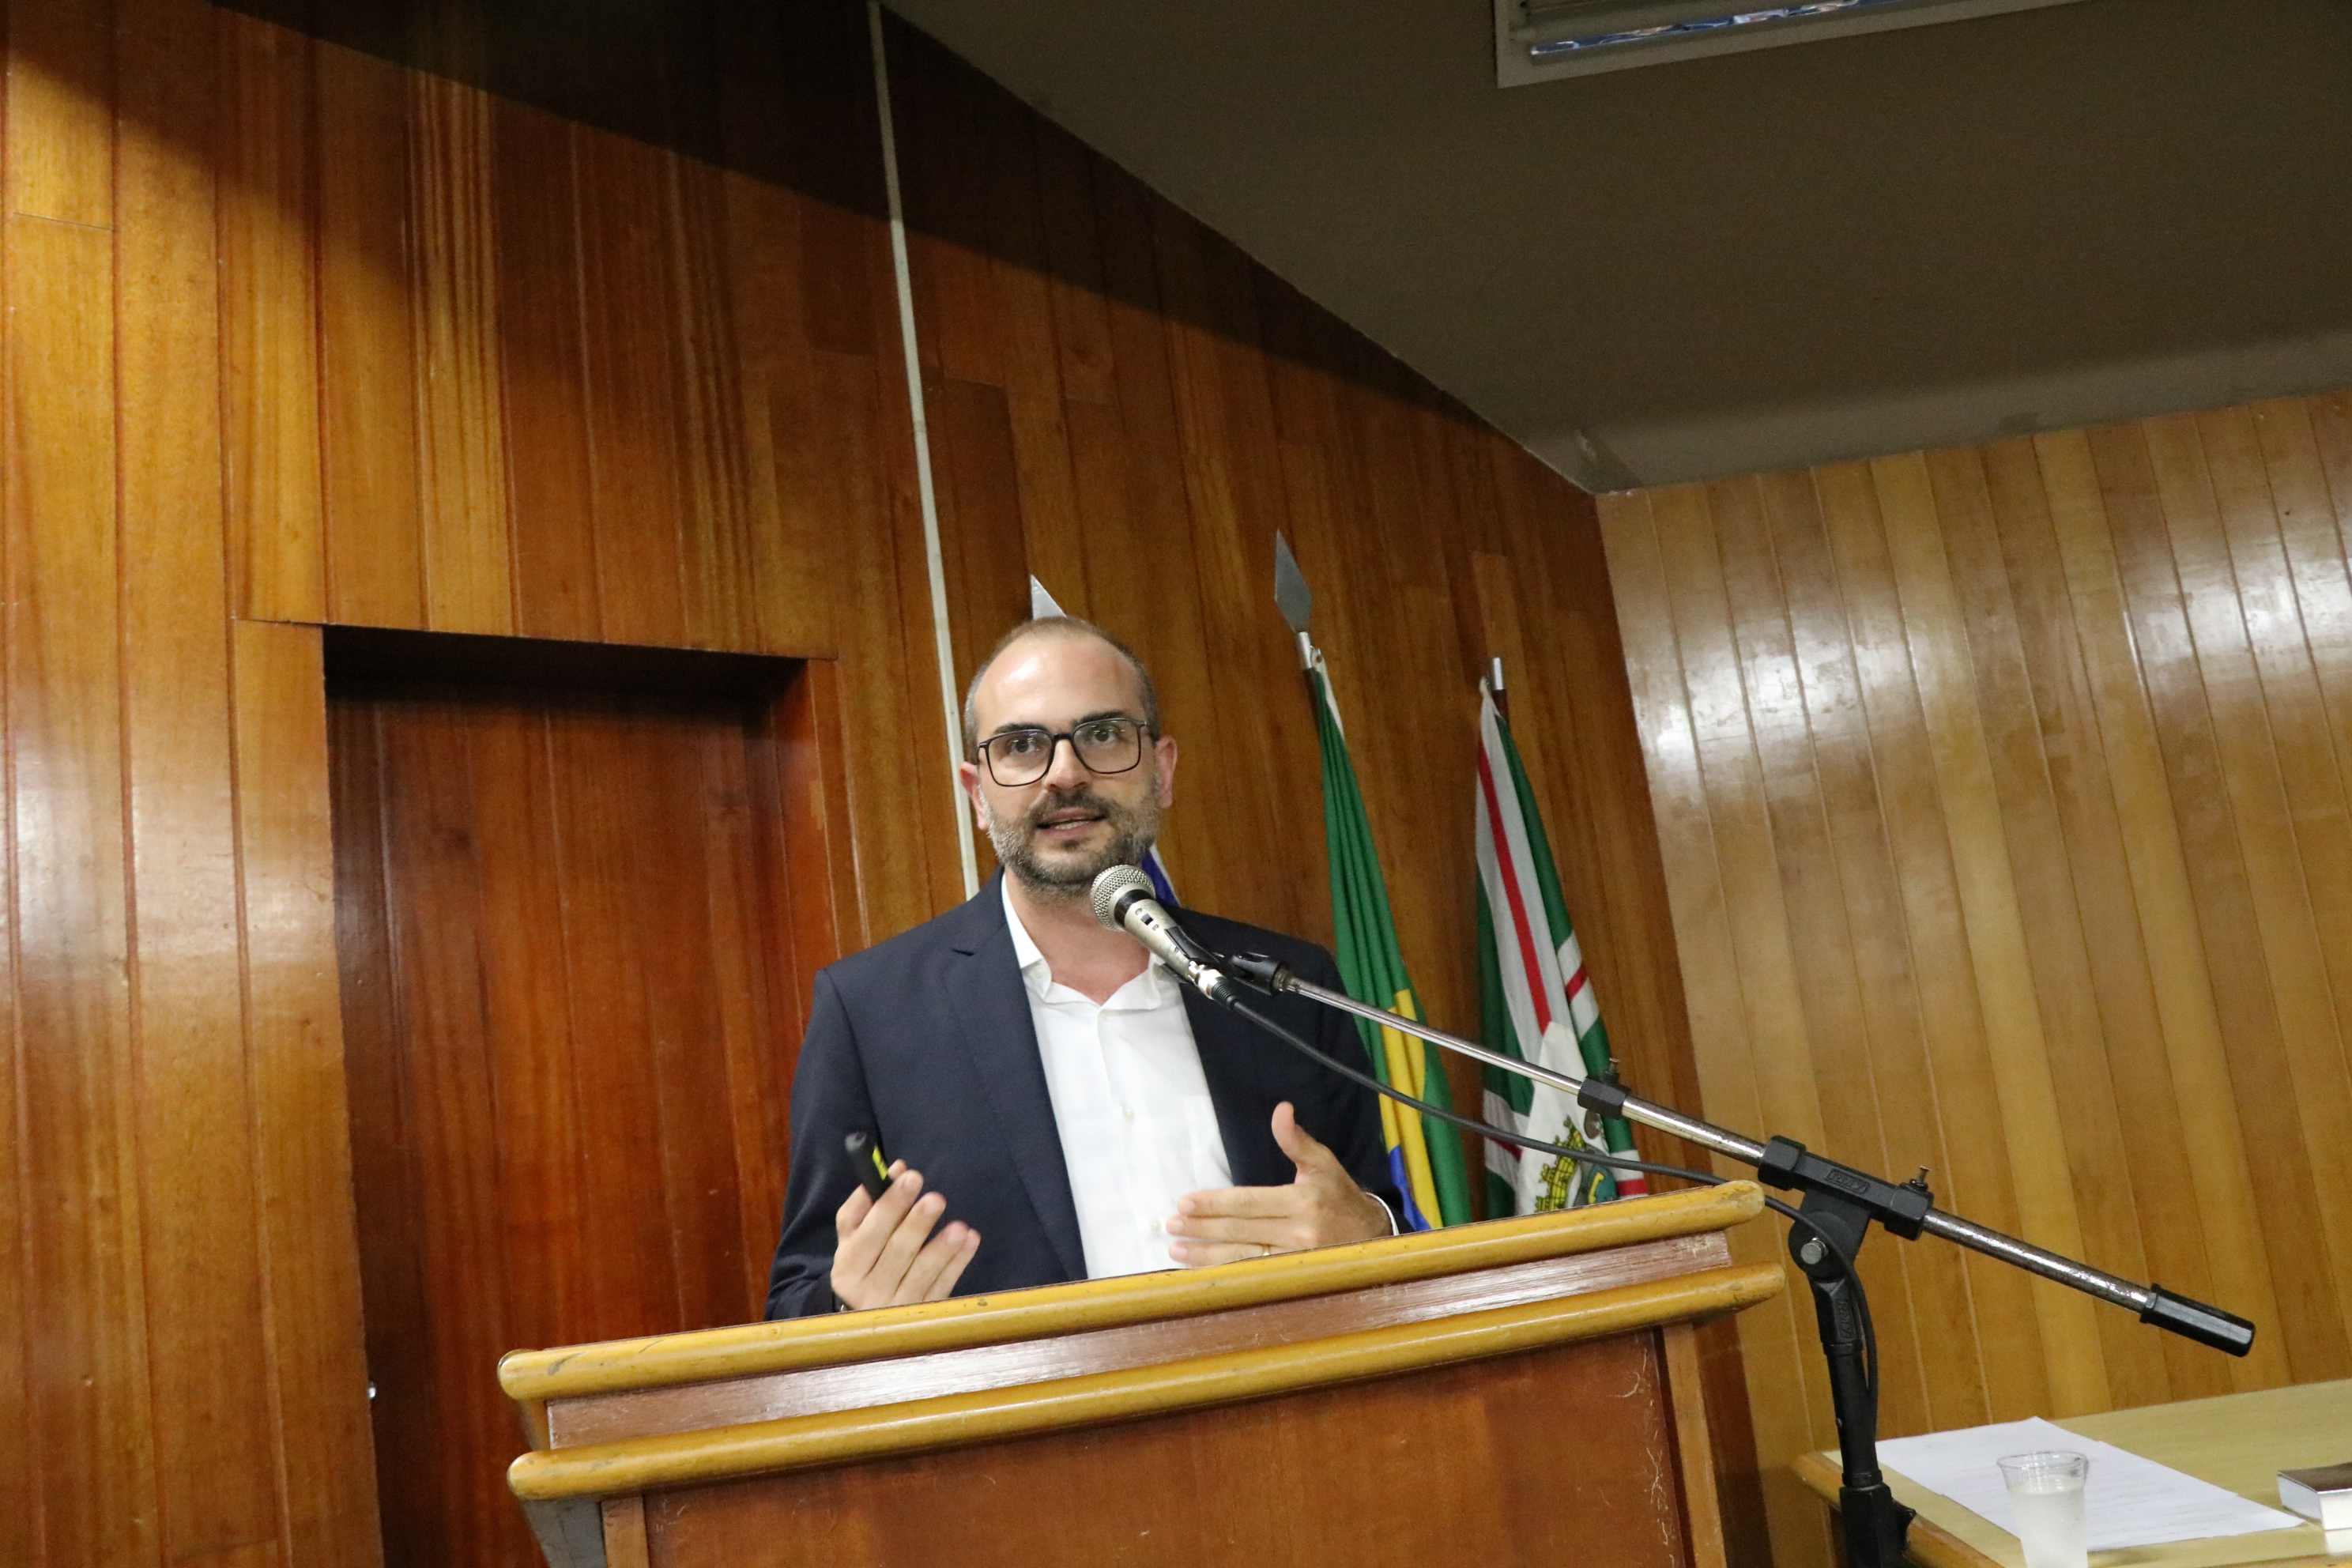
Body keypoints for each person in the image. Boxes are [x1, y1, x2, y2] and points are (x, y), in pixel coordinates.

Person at [763, 616, 1400, 1317]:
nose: (1065, 774)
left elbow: (1374, 1215)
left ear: (1162, 770)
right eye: (1021, 746)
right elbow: (797, 1301)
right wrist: (852, 1307)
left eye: (1102, 735)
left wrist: (1374, 1235)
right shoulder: (871, 1013)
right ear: (978, 794)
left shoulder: (1288, 988)